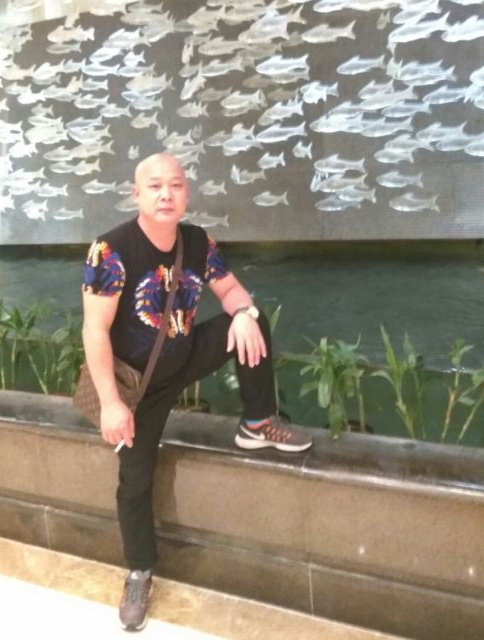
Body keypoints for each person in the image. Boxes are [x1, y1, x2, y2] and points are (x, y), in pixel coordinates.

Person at [81, 152, 313, 632]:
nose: (166, 194)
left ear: (186, 193)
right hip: (139, 386)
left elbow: (230, 291)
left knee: (252, 322)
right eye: (155, 186)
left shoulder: (197, 242)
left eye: (176, 185)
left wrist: (243, 313)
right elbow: (94, 330)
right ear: (136, 194)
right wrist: (111, 404)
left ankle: (257, 422)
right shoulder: (110, 250)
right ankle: (140, 571)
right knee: (135, 481)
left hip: (184, 356)